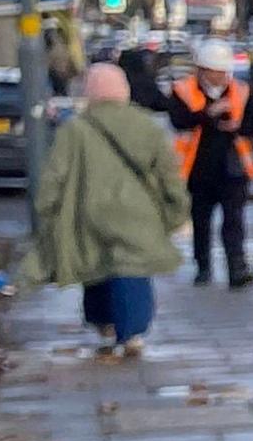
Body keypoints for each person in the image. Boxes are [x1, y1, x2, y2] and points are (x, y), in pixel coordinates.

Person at [31, 64, 187, 360]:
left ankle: (103, 323)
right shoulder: (146, 126)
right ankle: (132, 332)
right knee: (133, 269)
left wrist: (48, 207)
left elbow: (55, 174)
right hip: (137, 213)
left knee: (96, 266)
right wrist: (176, 205)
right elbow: (168, 171)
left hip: (90, 213)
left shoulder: (76, 129)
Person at [165, 41, 253, 288]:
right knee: (201, 220)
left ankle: (237, 267)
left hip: (233, 167)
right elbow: (179, 120)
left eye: (223, 71)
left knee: (234, 220)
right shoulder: (183, 90)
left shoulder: (242, 91)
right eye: (214, 71)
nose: (220, 77)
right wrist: (209, 113)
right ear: (202, 70)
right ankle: (203, 265)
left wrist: (239, 127)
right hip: (198, 168)